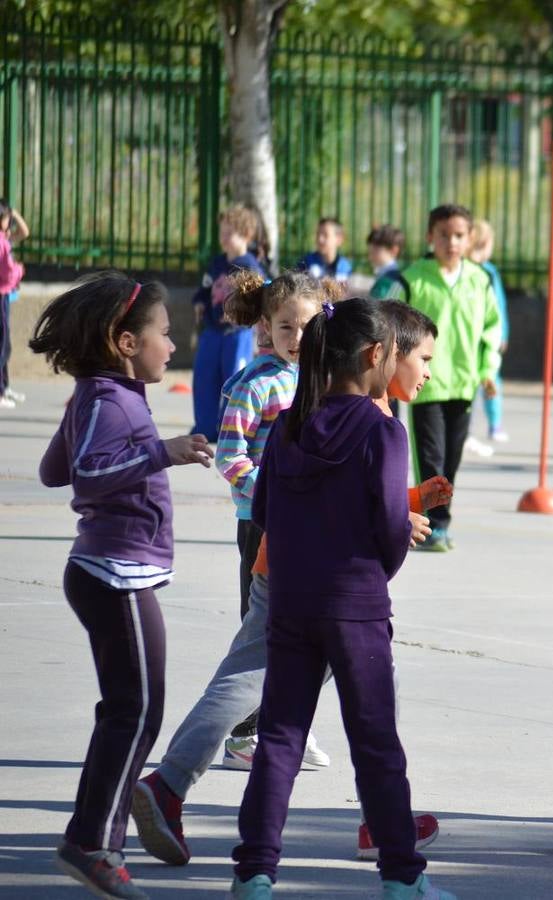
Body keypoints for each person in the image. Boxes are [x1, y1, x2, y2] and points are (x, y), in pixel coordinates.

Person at [132, 301, 448, 871]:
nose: (428, 372)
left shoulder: (318, 408)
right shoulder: (374, 415)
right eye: (422, 357)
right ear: (385, 353)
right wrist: (396, 531)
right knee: (264, 687)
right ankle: (169, 782)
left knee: (288, 720)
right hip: (331, 588)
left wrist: (406, 507)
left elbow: (320, 496)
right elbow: (364, 516)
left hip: (296, 575)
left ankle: (293, 851)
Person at [229, 298, 455, 900]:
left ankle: (254, 872)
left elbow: (267, 512)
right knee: (375, 742)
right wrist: (377, 571)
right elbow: (388, 526)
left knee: (279, 737)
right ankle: (403, 879)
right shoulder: (384, 431)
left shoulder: (290, 426)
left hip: (292, 602)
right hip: (355, 604)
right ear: (376, 354)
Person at [30, 272, 213, 899]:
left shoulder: (99, 396)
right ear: (125, 341)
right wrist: (164, 452)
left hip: (109, 571)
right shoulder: (111, 400)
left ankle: (92, 836)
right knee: (136, 710)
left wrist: (82, 422)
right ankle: (94, 844)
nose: (171, 344)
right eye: (163, 333)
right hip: (116, 573)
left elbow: (56, 469)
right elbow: (87, 475)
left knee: (127, 709)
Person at [216, 272, 327, 618]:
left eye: (308, 327)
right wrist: (271, 491)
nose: (297, 338)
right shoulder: (256, 385)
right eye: (285, 327)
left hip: (304, 515)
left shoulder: (318, 377)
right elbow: (230, 457)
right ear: (266, 326)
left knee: (299, 617)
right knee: (259, 621)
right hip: (262, 519)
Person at [403, 203, 502, 551]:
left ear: (470, 238)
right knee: (430, 460)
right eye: (443, 235)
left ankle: (439, 522)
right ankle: (431, 526)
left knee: (451, 462)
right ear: (430, 237)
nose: (451, 242)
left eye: (459, 235)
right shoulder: (413, 278)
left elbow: (492, 329)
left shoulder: (479, 280)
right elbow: (394, 325)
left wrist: (488, 370)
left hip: (463, 384)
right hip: (425, 386)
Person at [192, 206, 268, 442]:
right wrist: (200, 302)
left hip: (238, 334)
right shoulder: (216, 264)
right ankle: (205, 426)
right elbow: (205, 288)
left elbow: (259, 297)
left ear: (246, 234)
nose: (223, 238)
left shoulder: (250, 266)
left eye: (230, 233)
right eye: (221, 232)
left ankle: (232, 429)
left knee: (234, 380)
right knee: (204, 377)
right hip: (213, 330)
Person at [468, 219, 511, 445]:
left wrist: (502, 333)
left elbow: (497, 306)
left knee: (490, 380)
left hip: (486, 338)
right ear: (485, 243)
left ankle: (494, 424)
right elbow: (500, 305)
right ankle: (475, 427)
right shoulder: (476, 271)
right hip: (475, 338)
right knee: (476, 383)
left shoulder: (489, 272)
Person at [0, 198, 30, 408]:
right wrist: (20, 270)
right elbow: (8, 272)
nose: (10, 223)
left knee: (4, 343)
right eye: (7, 219)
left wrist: (13, 212)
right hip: (1, 294)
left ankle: (3, 386)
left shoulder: (4, 238)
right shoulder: (1, 242)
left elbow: (24, 232)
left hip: (5, 296)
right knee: (2, 344)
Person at [300, 217, 353, 284]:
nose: (320, 239)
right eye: (318, 234)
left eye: (325, 235)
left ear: (339, 239)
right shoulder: (306, 263)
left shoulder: (346, 268)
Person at [367, 225, 407, 299]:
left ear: (394, 250)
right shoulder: (382, 276)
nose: (370, 257)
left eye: (375, 251)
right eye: (369, 251)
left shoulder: (390, 279)